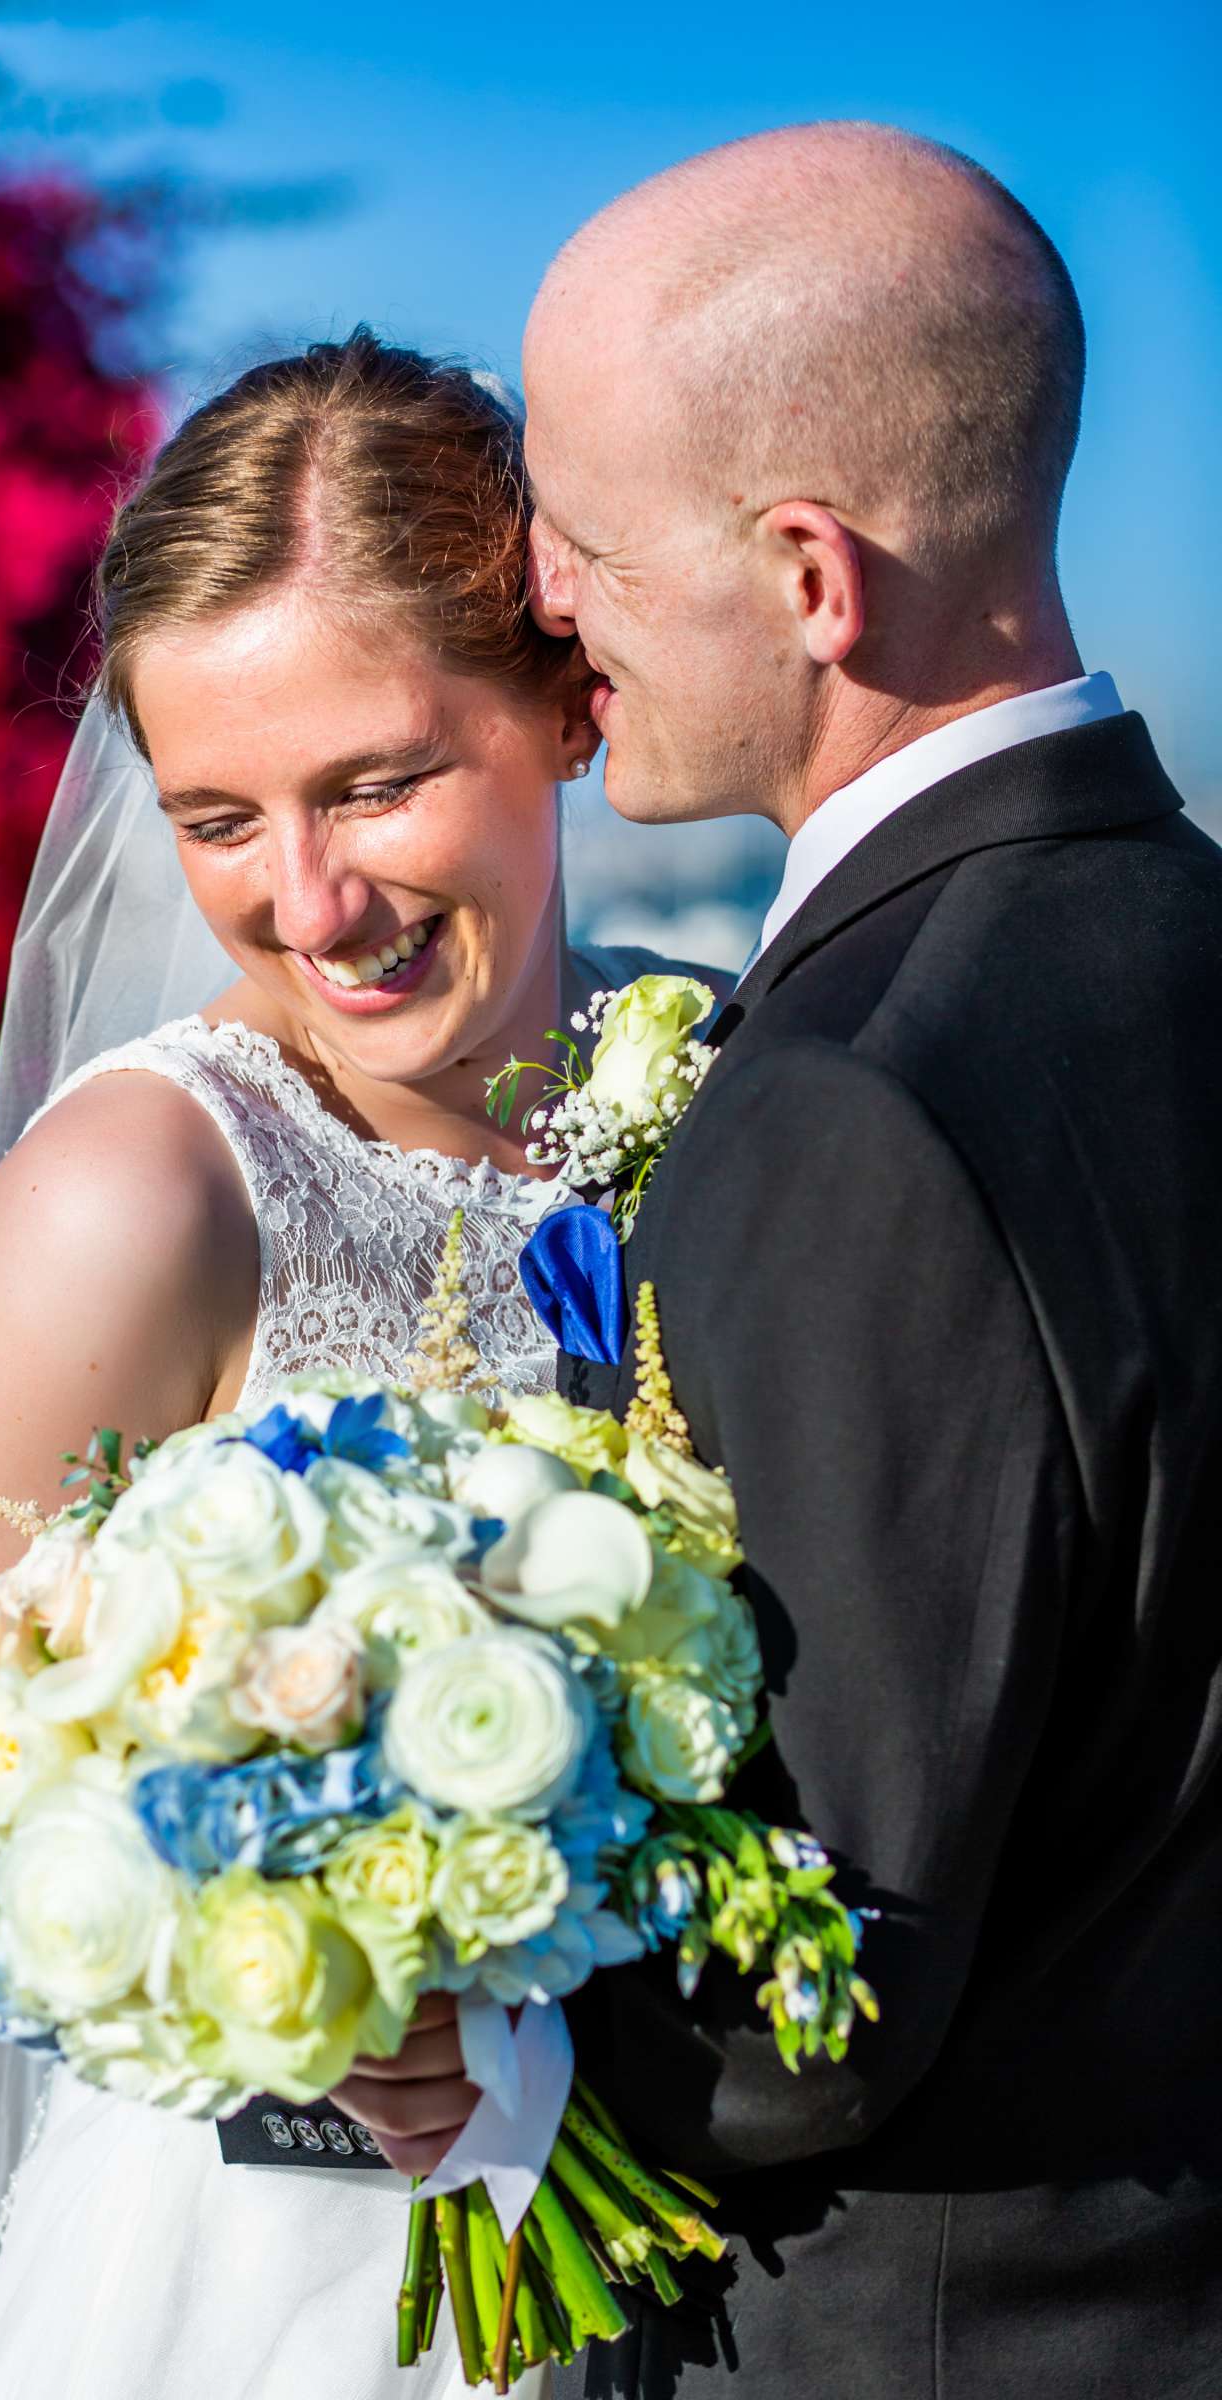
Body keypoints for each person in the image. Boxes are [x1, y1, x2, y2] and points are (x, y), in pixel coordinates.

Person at [0, 332, 713, 2400]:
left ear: (562, 709)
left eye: (374, 783)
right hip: (275, 2285)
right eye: (216, 814)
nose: (305, 901)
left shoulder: (727, 1079)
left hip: (700, 2254)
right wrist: (316, 1957)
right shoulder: (148, 1190)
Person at [510, 121, 1221, 2398]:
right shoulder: (1183, 943)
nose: (539, 595)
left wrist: (401, 1996)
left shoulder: (848, 1100)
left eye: (582, 542)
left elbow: (792, 2014)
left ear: (809, 577)